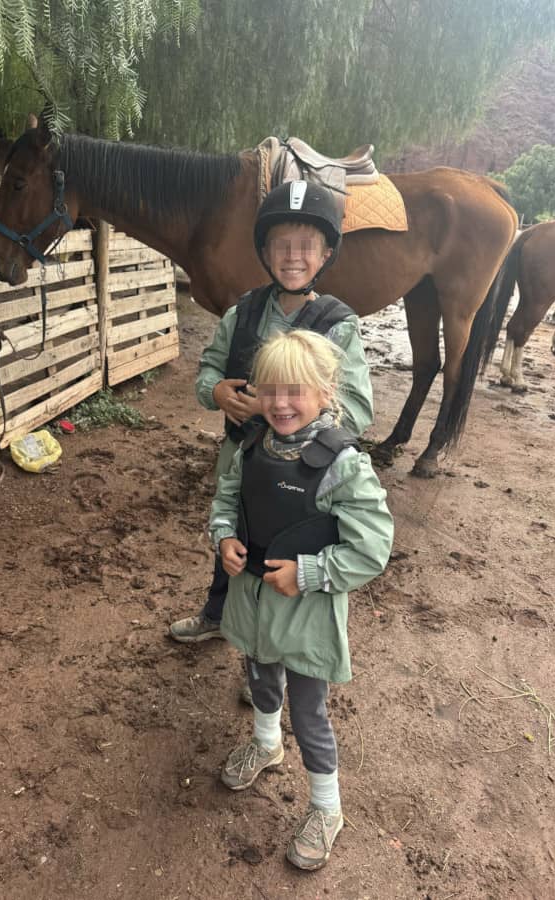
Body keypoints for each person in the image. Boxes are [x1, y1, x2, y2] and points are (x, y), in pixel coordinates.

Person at [210, 329, 393, 870]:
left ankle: (326, 808)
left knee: (310, 711)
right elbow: (225, 497)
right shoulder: (250, 444)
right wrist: (224, 538)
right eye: (270, 390)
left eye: (296, 390)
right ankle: (266, 744)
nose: (281, 403)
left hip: (306, 603)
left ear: (326, 391)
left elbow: (372, 548)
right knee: (260, 676)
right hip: (253, 593)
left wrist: (310, 574)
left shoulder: (343, 463)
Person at [170, 179, 375, 649]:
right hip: (241, 456)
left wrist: (281, 410)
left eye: (307, 245)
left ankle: (271, 645)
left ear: (326, 255)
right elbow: (208, 370)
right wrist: (217, 392)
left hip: (300, 468)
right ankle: (219, 614)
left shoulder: (337, 326)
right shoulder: (242, 312)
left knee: (285, 545)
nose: (294, 256)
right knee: (233, 535)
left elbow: (358, 410)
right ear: (265, 251)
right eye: (282, 245)